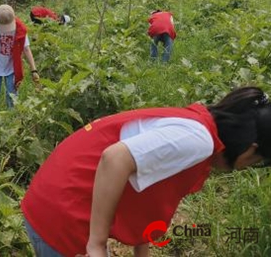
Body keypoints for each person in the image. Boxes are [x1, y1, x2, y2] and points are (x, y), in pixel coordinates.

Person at [21, 86, 271, 257]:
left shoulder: (197, 126)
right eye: (256, 161)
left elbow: (147, 196)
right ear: (251, 150)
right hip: (60, 215)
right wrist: (97, 246)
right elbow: (115, 158)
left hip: (54, 197)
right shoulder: (198, 140)